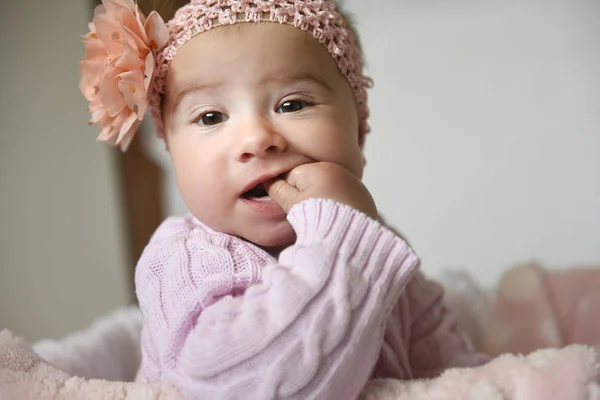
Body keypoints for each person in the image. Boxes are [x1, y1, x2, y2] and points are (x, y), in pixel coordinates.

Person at [79, 0, 489, 398]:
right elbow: (240, 386)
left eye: (292, 104)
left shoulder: (370, 238)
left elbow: (449, 367)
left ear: (359, 133)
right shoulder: (182, 260)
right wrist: (337, 242)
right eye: (211, 117)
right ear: (172, 151)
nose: (257, 140)